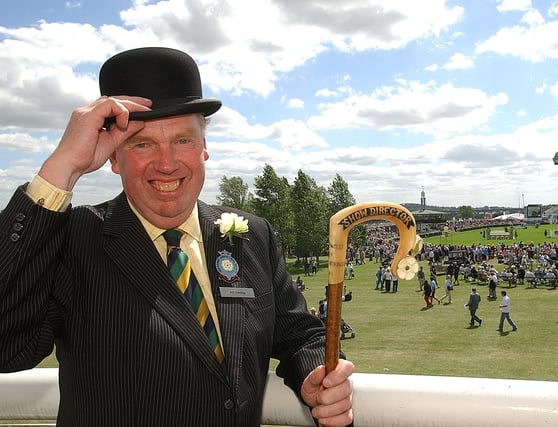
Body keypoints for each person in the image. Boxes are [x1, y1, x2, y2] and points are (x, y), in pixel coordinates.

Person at [0, 47, 353, 427]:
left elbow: (298, 333)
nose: (166, 163)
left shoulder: (250, 234)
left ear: (204, 148)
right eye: (142, 143)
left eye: (183, 140)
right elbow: (8, 346)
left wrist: (316, 373)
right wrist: (62, 168)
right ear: (113, 158)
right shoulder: (75, 238)